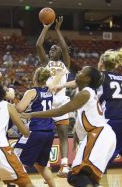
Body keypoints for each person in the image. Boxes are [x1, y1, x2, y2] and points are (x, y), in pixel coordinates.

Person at [23, 66, 116, 187]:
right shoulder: (85, 91)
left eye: (82, 71)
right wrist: (77, 133)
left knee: (77, 176)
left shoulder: (85, 93)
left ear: (87, 78)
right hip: (98, 135)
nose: (78, 71)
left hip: (99, 134)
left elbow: (60, 111)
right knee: (83, 177)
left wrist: (32, 114)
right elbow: (83, 113)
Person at [14, 67, 64, 187]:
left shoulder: (32, 92)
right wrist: (58, 73)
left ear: (35, 77)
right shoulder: (50, 90)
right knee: (41, 165)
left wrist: (14, 101)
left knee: (14, 160)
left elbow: (20, 109)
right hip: (49, 132)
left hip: (35, 131)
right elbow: (56, 80)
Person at [36, 16, 71, 177]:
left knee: (63, 134)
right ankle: (47, 167)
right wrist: (46, 27)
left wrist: (57, 30)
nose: (52, 50)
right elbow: (38, 45)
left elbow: (64, 48)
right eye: (51, 49)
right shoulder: (45, 63)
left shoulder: (65, 63)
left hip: (62, 103)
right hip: (48, 103)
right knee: (47, 136)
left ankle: (64, 165)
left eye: (54, 49)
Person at [97, 48, 122, 164]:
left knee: (107, 153)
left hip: (110, 119)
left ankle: (95, 178)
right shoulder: (121, 78)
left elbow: (96, 98)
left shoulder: (101, 77)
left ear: (102, 63)